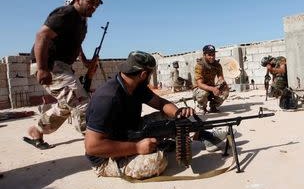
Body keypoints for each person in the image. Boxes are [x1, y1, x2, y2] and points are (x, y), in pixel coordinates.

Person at [84, 51, 228, 179]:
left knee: (174, 119)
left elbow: (160, 103)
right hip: (106, 157)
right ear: (143, 74)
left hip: (131, 132)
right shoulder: (107, 98)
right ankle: (154, 148)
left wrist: (179, 113)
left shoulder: (134, 85)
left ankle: (203, 136)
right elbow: (92, 147)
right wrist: (137, 148)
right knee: (157, 161)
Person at [24, 0, 103, 150]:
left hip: (63, 66)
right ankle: (98, 148)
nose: (94, 6)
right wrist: (42, 68)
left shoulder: (82, 22)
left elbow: (76, 44)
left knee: (66, 105)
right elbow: (42, 35)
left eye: (97, 4)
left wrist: (86, 61)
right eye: (91, 2)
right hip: (51, 64)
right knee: (82, 103)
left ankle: (38, 130)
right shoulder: (66, 13)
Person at [193, 45, 229, 113]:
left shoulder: (217, 65)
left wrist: (223, 85)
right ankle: (202, 107)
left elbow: (220, 78)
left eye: (213, 54)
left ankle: (213, 106)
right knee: (203, 93)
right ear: (204, 55)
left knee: (225, 90)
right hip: (200, 89)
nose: (212, 57)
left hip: (212, 87)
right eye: (209, 55)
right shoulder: (200, 65)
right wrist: (213, 89)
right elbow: (200, 84)